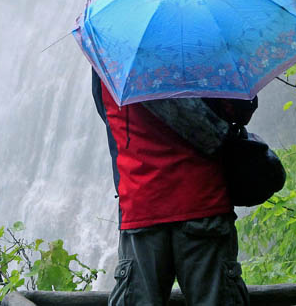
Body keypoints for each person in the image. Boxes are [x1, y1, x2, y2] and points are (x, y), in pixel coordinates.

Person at [91, 69, 255, 306]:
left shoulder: (110, 54)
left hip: (141, 204)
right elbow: (239, 110)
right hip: (203, 201)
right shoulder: (200, 47)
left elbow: (106, 111)